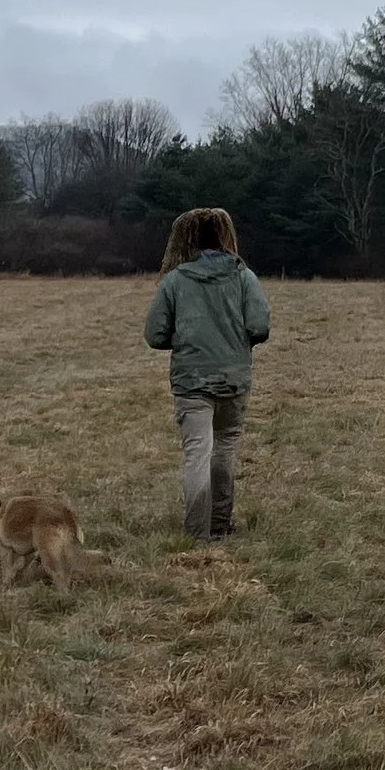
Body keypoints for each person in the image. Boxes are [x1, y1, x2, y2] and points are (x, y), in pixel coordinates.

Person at [144, 207, 271, 540]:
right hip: (234, 380)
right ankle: (220, 526)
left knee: (197, 453)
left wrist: (187, 339)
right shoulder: (245, 277)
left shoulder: (174, 280)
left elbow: (154, 335)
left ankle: (196, 534)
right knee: (225, 449)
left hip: (190, 383)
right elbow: (259, 326)